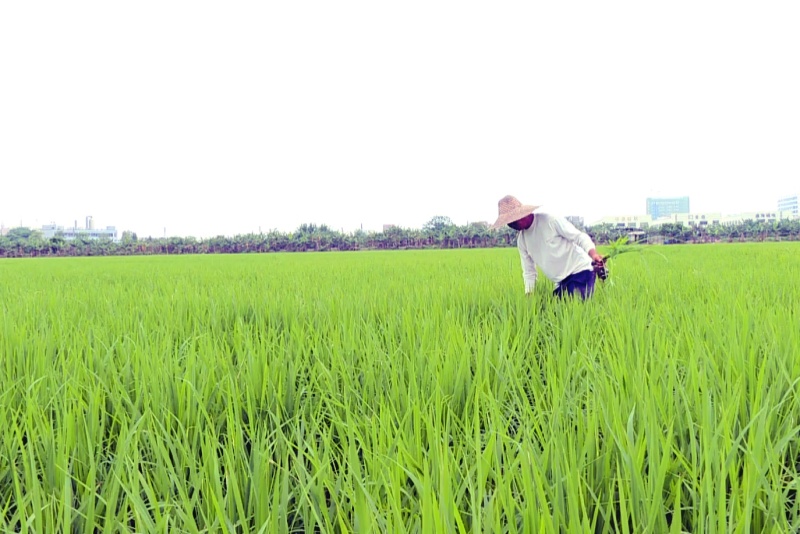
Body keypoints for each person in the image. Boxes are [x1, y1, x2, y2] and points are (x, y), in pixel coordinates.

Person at [491, 195, 605, 299]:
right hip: (561, 282)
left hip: (580, 271)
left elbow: (579, 237)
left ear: (522, 214)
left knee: (573, 311)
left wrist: (593, 254)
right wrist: (529, 295)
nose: (512, 226)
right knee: (551, 312)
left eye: (513, 222)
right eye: (509, 224)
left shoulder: (550, 221)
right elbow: (529, 271)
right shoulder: (522, 241)